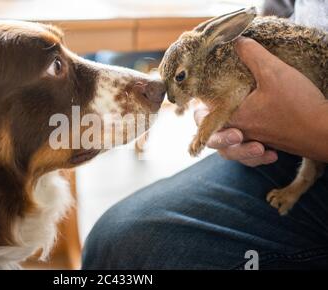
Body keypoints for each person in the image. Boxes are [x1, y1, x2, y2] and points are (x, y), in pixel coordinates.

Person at [82, 0, 328, 269]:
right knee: (112, 241)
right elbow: (277, 14)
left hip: (315, 145)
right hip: (275, 153)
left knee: (141, 252)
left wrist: (316, 130)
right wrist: (212, 107)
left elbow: (230, 93)